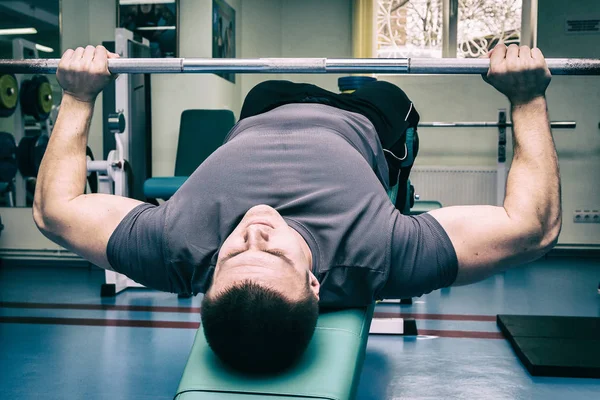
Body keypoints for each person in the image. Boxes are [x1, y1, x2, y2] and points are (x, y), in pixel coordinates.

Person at [33, 43, 561, 373]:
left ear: (205, 281)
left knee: (269, 84)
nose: (255, 231)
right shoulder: (375, 258)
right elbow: (532, 228)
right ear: (315, 284)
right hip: (367, 124)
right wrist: (526, 98)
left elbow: (56, 211)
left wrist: (78, 97)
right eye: (275, 253)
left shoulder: (176, 248)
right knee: (387, 93)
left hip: (268, 105)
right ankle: (368, 94)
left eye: (234, 251)